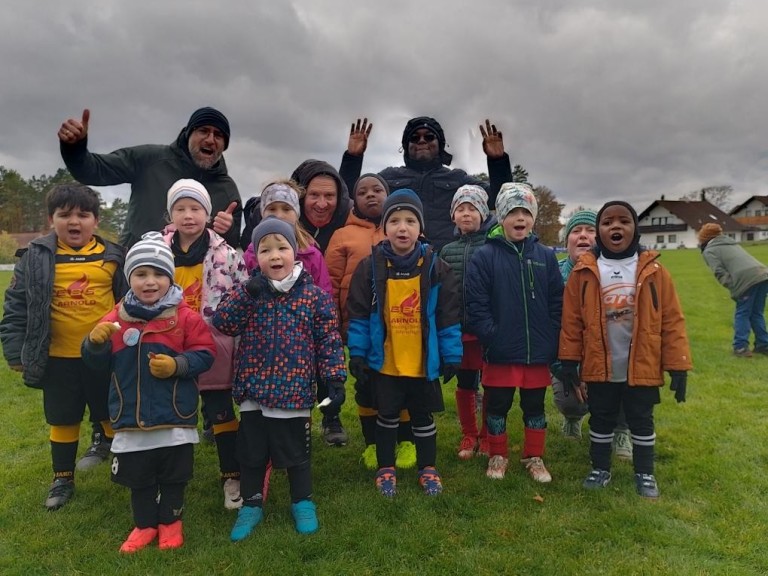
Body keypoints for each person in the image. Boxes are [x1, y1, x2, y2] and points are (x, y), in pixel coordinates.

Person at [81, 232, 215, 552]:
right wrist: (94, 344)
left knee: (173, 476)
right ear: (129, 279)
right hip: (130, 417)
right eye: (141, 274)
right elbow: (95, 364)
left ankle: (170, 522)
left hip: (175, 418)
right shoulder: (116, 318)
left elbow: (206, 354)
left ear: (169, 277)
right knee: (138, 477)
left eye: (158, 274)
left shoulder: (186, 317)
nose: (150, 281)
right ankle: (144, 525)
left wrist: (177, 365)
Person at [213, 218, 346, 539]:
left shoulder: (314, 297)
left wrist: (334, 378)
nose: (274, 256)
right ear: (255, 256)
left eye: (281, 248)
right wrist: (246, 293)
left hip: (293, 389)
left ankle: (302, 502)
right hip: (253, 391)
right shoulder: (249, 291)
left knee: (296, 454)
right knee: (251, 453)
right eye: (265, 250)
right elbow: (223, 322)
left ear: (294, 252)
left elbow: (328, 339)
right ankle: (252, 505)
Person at [0, 183, 128, 510]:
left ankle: (124, 462)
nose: (74, 221)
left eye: (83, 215)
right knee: (63, 417)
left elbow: (129, 303)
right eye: (65, 215)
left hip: (104, 357)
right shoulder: (35, 257)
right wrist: (15, 351)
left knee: (112, 411)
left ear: (95, 221)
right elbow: (16, 306)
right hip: (57, 358)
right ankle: (63, 478)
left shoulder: (114, 256)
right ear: (50, 219)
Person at [559, 201, 692, 499]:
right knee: (602, 417)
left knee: (641, 419)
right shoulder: (584, 272)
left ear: (635, 228)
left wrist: (678, 364)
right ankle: (600, 468)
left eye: (623, 221)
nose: (615, 227)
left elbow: (672, 319)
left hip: (641, 364)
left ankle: (644, 473)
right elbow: (571, 321)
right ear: (599, 232)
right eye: (607, 223)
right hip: (600, 364)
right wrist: (569, 360)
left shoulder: (655, 271)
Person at [347, 189, 462, 497]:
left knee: (423, 418)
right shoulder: (369, 267)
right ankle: (387, 468)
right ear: (384, 227)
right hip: (386, 361)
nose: (402, 227)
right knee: (387, 416)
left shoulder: (436, 267)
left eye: (410, 220)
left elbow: (448, 317)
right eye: (394, 220)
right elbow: (358, 314)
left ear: (419, 228)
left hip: (422, 362)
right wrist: (357, 353)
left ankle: (428, 468)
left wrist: (452, 355)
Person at [465, 183, 563, 483]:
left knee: (534, 407)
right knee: (498, 405)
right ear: (502, 217)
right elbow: (476, 304)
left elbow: (557, 300)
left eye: (526, 212)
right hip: (500, 351)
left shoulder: (545, 256)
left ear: (533, 218)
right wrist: (492, 335)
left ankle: (534, 456)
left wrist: (551, 333)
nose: (519, 218)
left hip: (537, 352)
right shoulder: (484, 256)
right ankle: (498, 454)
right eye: (512, 212)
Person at [161, 179, 249, 510]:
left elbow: (242, 299)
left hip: (213, 350)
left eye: (195, 208)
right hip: (168, 347)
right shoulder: (156, 250)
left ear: (207, 213)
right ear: (170, 214)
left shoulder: (225, 254)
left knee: (221, 413)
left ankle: (232, 476)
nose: (188, 216)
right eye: (180, 208)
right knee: (174, 417)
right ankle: (170, 482)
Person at [325, 174, 417, 470]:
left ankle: (405, 441)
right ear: (354, 200)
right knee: (366, 387)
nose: (371, 195)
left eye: (377, 189)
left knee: (400, 386)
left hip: (400, 331)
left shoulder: (402, 231)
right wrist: (336, 326)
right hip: (359, 328)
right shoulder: (342, 235)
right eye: (362, 191)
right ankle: (372, 444)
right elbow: (332, 283)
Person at [58, 107, 242, 248]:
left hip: (191, 285)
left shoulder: (227, 190)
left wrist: (228, 230)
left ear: (224, 145)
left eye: (218, 135)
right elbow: (93, 170)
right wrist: (75, 148)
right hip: (134, 273)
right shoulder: (149, 160)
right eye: (203, 131)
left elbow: (231, 248)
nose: (210, 139)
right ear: (188, 135)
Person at [339, 117, 514, 251]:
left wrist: (497, 160)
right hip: (398, 264)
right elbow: (350, 197)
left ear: (440, 145)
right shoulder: (388, 177)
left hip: (446, 265)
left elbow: (498, 199)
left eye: (429, 137)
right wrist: (353, 157)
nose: (422, 141)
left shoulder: (457, 178)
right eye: (414, 138)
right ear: (406, 147)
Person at [551, 210, 633, 460]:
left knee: (625, 385)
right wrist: (570, 372)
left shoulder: (617, 275)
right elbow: (548, 329)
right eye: (576, 231)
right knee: (569, 400)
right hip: (567, 360)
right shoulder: (552, 274)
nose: (583, 236)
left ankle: (621, 429)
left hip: (611, 358)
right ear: (567, 241)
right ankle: (573, 417)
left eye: (590, 231)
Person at [438, 184, 496, 460]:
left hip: (487, 330)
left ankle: (486, 436)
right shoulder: (447, 251)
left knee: (490, 384)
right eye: (460, 209)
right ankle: (469, 434)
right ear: (453, 216)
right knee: (465, 383)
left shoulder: (493, 247)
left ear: (483, 213)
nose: (466, 214)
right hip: (460, 332)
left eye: (472, 208)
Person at [240, 161, 351, 255]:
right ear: (301, 198)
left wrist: (353, 158)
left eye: (329, 196)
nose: (322, 204)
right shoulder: (262, 216)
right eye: (314, 195)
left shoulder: (347, 216)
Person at [242, 181, 332, 294]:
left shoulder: (312, 256)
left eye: (286, 209)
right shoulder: (251, 255)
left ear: (297, 213)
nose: (279, 215)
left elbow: (325, 295)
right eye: (272, 209)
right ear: (262, 214)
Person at [698, 222, 768, 357]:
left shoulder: (710, 250)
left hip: (747, 280)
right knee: (756, 313)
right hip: (763, 275)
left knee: (742, 313)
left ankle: (740, 347)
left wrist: (733, 286)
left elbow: (719, 272)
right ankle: (763, 344)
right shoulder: (731, 243)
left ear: (703, 237)